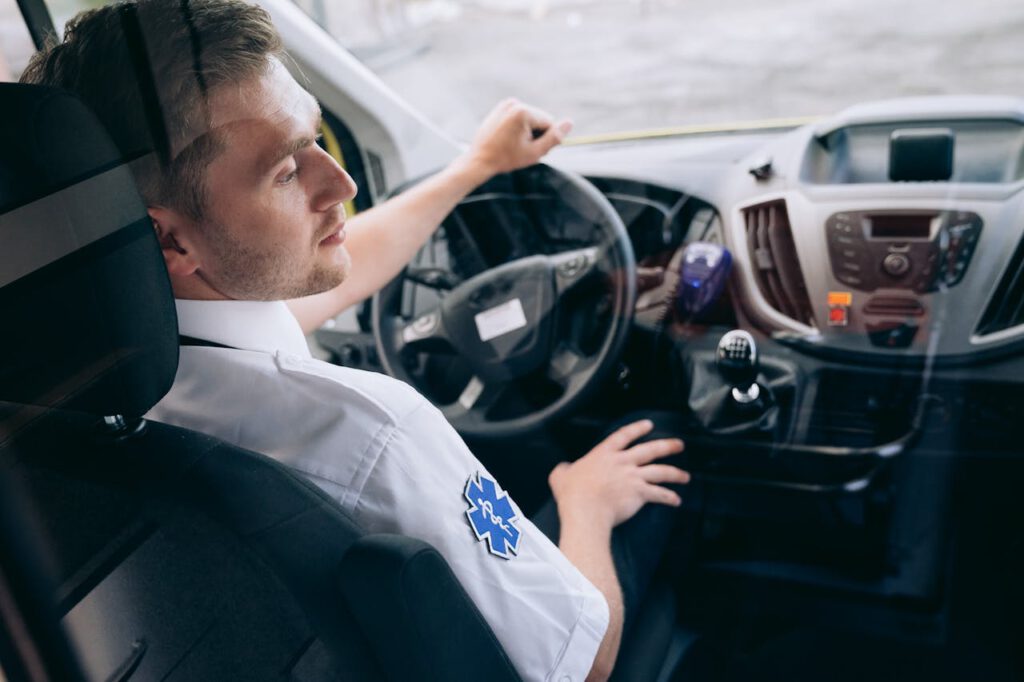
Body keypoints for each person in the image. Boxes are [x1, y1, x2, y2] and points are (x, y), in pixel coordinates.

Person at [20, 2, 689, 679]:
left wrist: (473, 167)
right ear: (172, 239)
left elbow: (326, 281)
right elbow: (587, 661)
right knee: (654, 436)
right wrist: (586, 506)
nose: (342, 183)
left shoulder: (69, 398)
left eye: (317, 138)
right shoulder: (371, 434)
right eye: (285, 171)